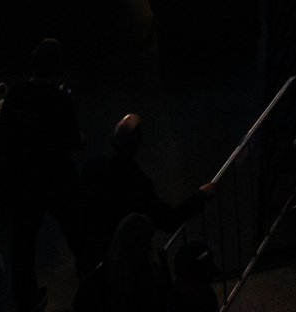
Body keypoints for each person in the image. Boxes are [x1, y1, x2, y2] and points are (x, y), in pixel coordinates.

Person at [0, 38, 85, 308]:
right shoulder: (59, 100)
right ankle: (92, 281)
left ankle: (25, 299)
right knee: (77, 232)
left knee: (22, 244)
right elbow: (72, 141)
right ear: (57, 67)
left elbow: (4, 136)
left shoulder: (14, 95)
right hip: (56, 178)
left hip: (24, 180)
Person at [77, 115, 211, 283]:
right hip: (121, 268)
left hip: (91, 261)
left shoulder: (93, 168)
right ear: (137, 143)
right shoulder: (136, 182)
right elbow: (168, 220)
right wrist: (200, 196)